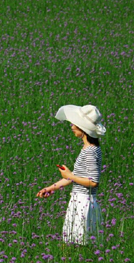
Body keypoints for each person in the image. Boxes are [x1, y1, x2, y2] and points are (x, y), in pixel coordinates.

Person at [37, 105, 106, 246]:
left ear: (84, 129)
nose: (72, 127)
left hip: (84, 204)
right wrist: (50, 188)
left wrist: (70, 176)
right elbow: (74, 176)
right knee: (73, 243)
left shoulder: (90, 151)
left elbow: (93, 182)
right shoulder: (87, 149)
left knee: (79, 245)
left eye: (75, 124)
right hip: (78, 201)